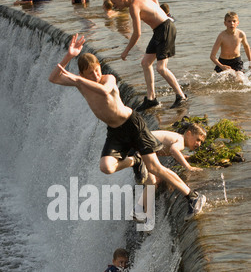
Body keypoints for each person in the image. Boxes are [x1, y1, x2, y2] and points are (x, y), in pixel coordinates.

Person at [48, 33, 206, 227]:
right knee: (106, 167)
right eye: (91, 73)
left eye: (97, 70)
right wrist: (69, 56)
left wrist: (80, 80)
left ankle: (192, 196)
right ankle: (134, 160)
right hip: (115, 132)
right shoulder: (80, 83)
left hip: (133, 125)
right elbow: (53, 78)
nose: (96, 75)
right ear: (82, 74)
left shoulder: (109, 79)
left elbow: (105, 91)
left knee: (156, 168)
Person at [109, 0, 187, 110]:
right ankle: (151, 99)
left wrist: (126, 51)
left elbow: (137, 33)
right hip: (159, 30)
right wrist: (158, 13)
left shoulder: (133, 7)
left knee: (161, 68)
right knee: (145, 63)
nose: (115, 6)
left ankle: (181, 96)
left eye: (115, 3)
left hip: (165, 29)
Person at [210, 11, 251, 76]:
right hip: (223, 62)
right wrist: (222, 66)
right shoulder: (221, 36)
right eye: (229, 21)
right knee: (220, 81)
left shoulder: (241, 34)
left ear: (237, 23)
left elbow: (246, 47)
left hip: (236, 61)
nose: (232, 23)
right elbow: (212, 56)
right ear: (225, 23)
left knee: (239, 79)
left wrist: (250, 62)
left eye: (234, 21)